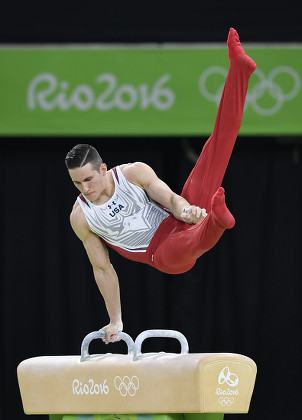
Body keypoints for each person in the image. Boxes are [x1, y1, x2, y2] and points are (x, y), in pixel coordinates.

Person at [65, 28, 256, 344]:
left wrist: (186, 209)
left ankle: (239, 69)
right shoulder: (81, 217)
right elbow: (103, 269)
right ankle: (216, 221)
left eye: (89, 179)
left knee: (218, 145)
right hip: (160, 253)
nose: (85, 188)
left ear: (103, 168)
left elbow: (165, 195)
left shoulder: (133, 172)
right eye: (77, 183)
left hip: (177, 216)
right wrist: (116, 320)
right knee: (185, 246)